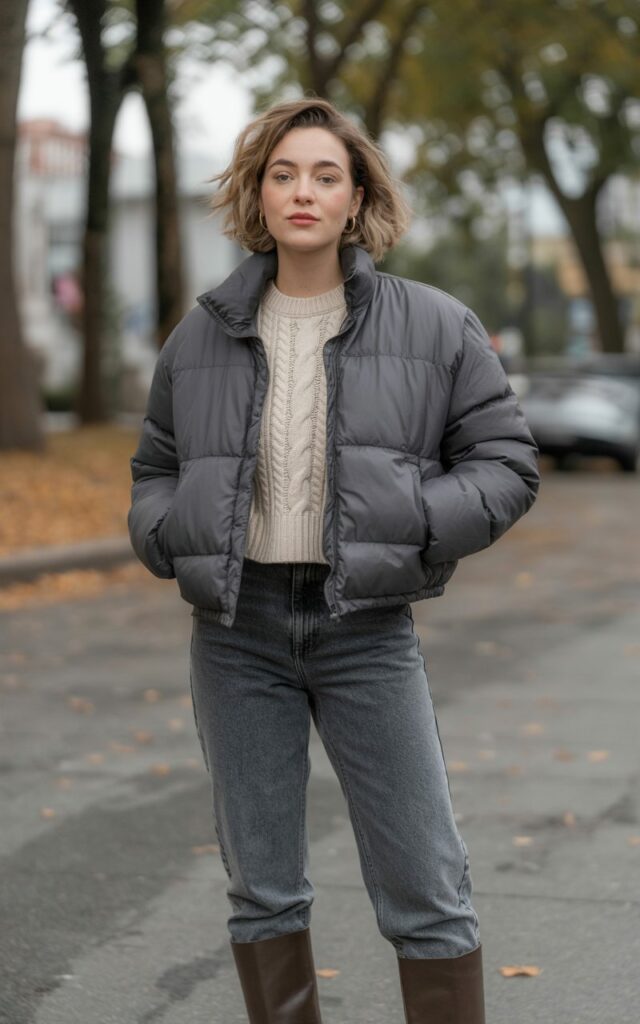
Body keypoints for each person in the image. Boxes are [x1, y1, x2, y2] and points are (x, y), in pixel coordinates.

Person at [127, 97, 540, 1024]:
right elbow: (155, 467)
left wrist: (410, 524)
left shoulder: (434, 326)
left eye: (324, 175)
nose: (302, 192)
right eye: (283, 174)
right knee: (263, 889)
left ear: (357, 200)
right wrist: (168, 533)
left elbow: (507, 464)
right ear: (258, 196)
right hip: (237, 634)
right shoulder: (199, 336)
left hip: (367, 630)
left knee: (426, 889)